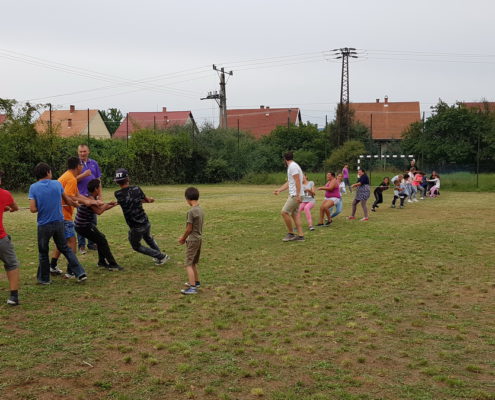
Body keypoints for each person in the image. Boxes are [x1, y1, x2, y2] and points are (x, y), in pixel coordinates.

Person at [28, 162, 88, 284]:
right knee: (65, 248)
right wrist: (76, 204)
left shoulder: (33, 187)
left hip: (44, 225)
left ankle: (44, 279)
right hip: (59, 222)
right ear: (48, 172)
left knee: (43, 252)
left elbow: (33, 209)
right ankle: (80, 273)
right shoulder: (57, 184)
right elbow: (68, 200)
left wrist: (43, 206)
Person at [50, 157, 102, 277]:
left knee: (62, 242)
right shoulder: (71, 179)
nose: (82, 167)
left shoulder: (69, 176)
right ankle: (71, 270)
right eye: (81, 165)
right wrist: (85, 202)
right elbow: (69, 197)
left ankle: (52, 266)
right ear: (77, 166)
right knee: (72, 242)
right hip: (63, 215)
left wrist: (91, 201)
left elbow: (77, 194)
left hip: (59, 214)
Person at [114, 168, 170, 264]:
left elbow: (127, 200)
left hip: (135, 227)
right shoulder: (137, 189)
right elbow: (146, 200)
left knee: (136, 246)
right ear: (128, 179)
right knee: (148, 238)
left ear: (116, 182)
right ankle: (160, 256)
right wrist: (151, 199)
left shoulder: (118, 194)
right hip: (145, 221)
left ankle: (161, 256)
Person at [75, 179, 123, 271]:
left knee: (101, 239)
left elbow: (101, 207)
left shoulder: (92, 198)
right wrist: (108, 204)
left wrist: (115, 204)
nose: (101, 189)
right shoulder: (90, 199)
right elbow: (99, 211)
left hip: (84, 225)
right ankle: (113, 264)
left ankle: (101, 262)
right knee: (102, 240)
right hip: (83, 226)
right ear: (96, 189)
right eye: (100, 187)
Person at [178, 187, 204, 295]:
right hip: (198, 239)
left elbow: (189, 228)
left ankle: (193, 288)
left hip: (192, 240)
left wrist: (183, 238)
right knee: (193, 263)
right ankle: (196, 282)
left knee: (188, 264)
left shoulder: (191, 211)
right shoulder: (200, 209)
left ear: (187, 198)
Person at [76, 144, 102, 254]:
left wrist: (100, 195)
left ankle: (91, 243)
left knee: (93, 221)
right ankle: (81, 245)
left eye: (84, 151)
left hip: (93, 197)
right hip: (81, 198)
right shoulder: (76, 165)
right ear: (78, 152)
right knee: (81, 222)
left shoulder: (94, 163)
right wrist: (84, 175)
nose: (82, 153)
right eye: (80, 151)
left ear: (88, 151)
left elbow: (98, 180)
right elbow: (71, 180)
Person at [0, 171, 21, 305]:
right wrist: (8, 208)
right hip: (1, 238)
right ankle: (13, 296)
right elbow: (15, 207)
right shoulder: (4, 194)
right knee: (12, 264)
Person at [274, 152, 304, 242]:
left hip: (295, 195)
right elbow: (290, 182)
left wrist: (298, 195)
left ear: (284, 159)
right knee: (295, 215)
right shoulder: (293, 166)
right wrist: (280, 190)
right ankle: (301, 236)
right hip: (296, 194)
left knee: (284, 212)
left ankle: (291, 234)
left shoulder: (292, 166)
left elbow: (297, 181)